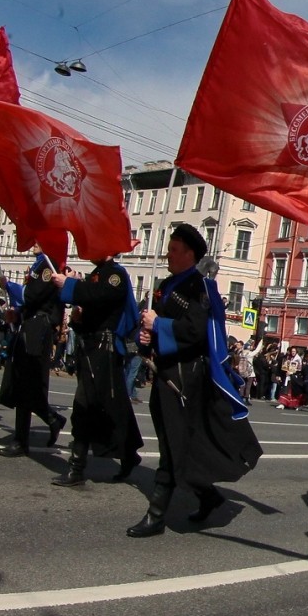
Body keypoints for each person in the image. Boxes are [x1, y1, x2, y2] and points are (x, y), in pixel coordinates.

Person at [127, 224, 262, 537]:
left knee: (174, 446)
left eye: (174, 249)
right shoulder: (169, 284)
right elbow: (154, 327)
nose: (168, 254)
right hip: (165, 374)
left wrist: (159, 323)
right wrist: (146, 335)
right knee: (175, 444)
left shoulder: (200, 288)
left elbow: (195, 331)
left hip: (185, 380)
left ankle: (156, 516)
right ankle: (209, 497)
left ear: (190, 254)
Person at [52, 250, 146, 486]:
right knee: (107, 407)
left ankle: (77, 469)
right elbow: (93, 307)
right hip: (92, 349)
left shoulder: (115, 275)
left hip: (104, 351)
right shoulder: (98, 273)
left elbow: (100, 295)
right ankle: (127, 453)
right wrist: (77, 318)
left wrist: (71, 286)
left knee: (86, 406)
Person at [0, 252, 67, 457]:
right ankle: (48, 421)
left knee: (27, 382)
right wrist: (17, 314)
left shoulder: (48, 265)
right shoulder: (40, 264)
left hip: (37, 328)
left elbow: (32, 295)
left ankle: (22, 440)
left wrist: (8, 285)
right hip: (30, 324)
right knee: (23, 384)